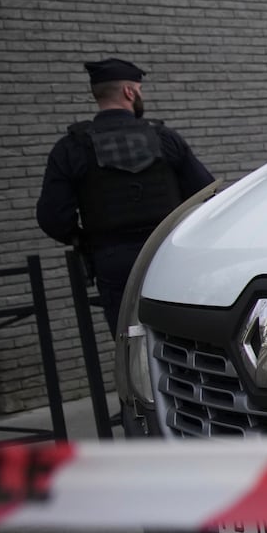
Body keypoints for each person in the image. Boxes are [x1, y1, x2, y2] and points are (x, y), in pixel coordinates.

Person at [36, 58, 214, 332]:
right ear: (130, 92)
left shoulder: (72, 147)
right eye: (140, 90)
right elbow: (206, 193)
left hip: (113, 260)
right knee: (185, 332)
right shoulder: (165, 138)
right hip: (169, 251)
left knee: (130, 338)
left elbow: (52, 217)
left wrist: (88, 240)